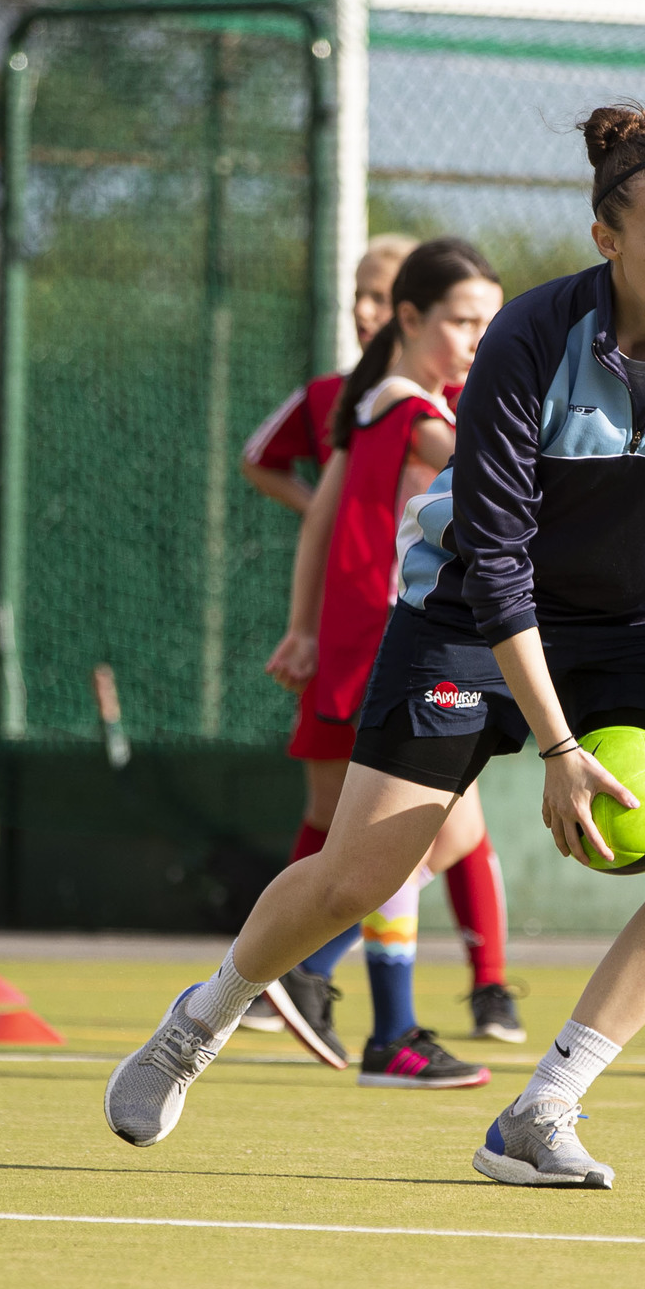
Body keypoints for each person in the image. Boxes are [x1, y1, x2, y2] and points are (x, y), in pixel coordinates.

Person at [105, 102, 645, 1188]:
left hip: (636, 624)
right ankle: (199, 1020)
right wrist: (561, 745)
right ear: (606, 238)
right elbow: (494, 555)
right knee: (354, 874)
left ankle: (542, 1108)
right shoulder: (529, 340)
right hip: (469, 614)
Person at [260, 237, 516, 1087]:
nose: (480, 338)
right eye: (464, 321)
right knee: (423, 837)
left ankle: (385, 1026)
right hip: (396, 645)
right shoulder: (421, 420)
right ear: (411, 318)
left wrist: (304, 627)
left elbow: (321, 523)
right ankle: (317, 970)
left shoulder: (366, 408)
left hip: (355, 643)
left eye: (490, 322)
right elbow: (501, 487)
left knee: (383, 839)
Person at [234, 234, 413, 1041]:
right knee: (400, 832)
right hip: (372, 647)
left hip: (421, 642)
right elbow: (282, 484)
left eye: (385, 296)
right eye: (362, 296)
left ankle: (316, 980)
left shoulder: (434, 408)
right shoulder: (363, 407)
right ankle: (322, 984)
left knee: (418, 834)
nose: (368, 311)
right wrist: (303, 628)